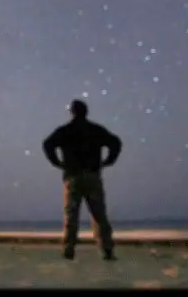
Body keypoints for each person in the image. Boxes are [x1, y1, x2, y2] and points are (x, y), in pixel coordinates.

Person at [42, 99, 122, 261]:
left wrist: (57, 163)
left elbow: (47, 144)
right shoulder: (95, 130)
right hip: (92, 176)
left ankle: (68, 249)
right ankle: (106, 250)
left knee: (71, 214)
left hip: (73, 177)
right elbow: (115, 142)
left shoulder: (65, 131)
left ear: (72, 112)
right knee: (99, 214)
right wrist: (109, 160)